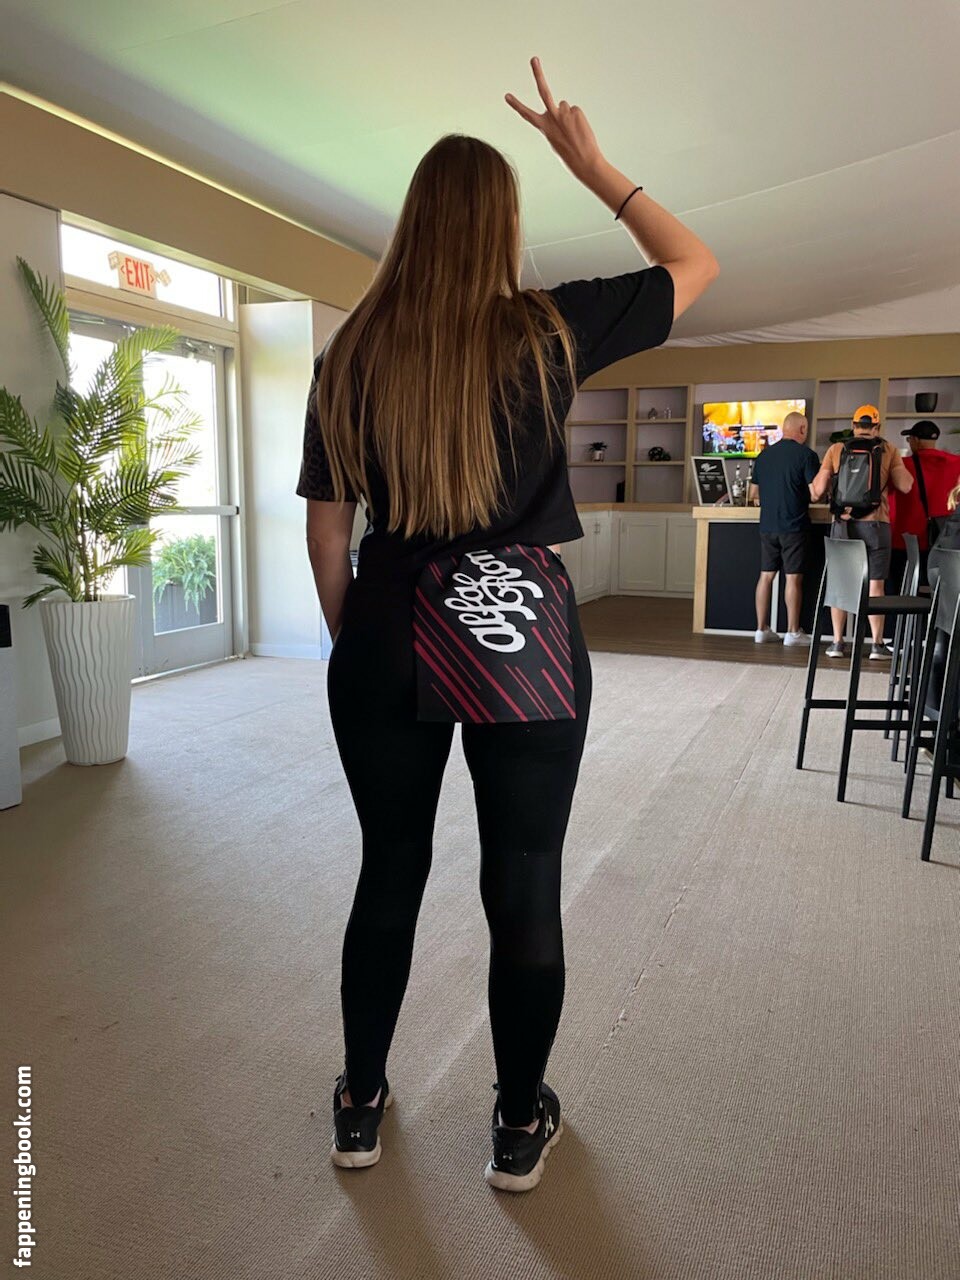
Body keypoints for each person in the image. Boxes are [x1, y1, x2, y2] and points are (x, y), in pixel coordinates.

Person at [297, 56, 719, 1194]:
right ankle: (519, 1124)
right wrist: (596, 167)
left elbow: (330, 534)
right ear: (502, 226)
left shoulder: (349, 352)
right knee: (524, 877)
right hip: (521, 626)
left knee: (389, 869)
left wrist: (360, 643)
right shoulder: (550, 327)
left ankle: (359, 1105)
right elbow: (695, 263)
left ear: (412, 223)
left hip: (388, 620)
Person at [809, 405, 914, 660]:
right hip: (876, 526)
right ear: (877, 427)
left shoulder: (837, 449)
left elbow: (818, 490)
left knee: (840, 583)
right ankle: (876, 644)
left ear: (854, 425)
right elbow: (906, 485)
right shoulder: (888, 449)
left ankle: (837, 643)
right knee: (876, 586)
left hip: (843, 526)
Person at [748, 411, 819, 646]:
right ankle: (792, 632)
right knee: (793, 579)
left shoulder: (764, 455)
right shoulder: (807, 455)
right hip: (794, 525)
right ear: (802, 429)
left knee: (765, 576)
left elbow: (753, 493)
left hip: (768, 525)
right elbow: (815, 493)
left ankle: (761, 630)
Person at [888, 420, 960, 585]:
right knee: (941, 589)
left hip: (906, 540)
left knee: (904, 588)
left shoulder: (902, 466)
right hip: (945, 541)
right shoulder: (956, 463)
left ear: (915, 440)